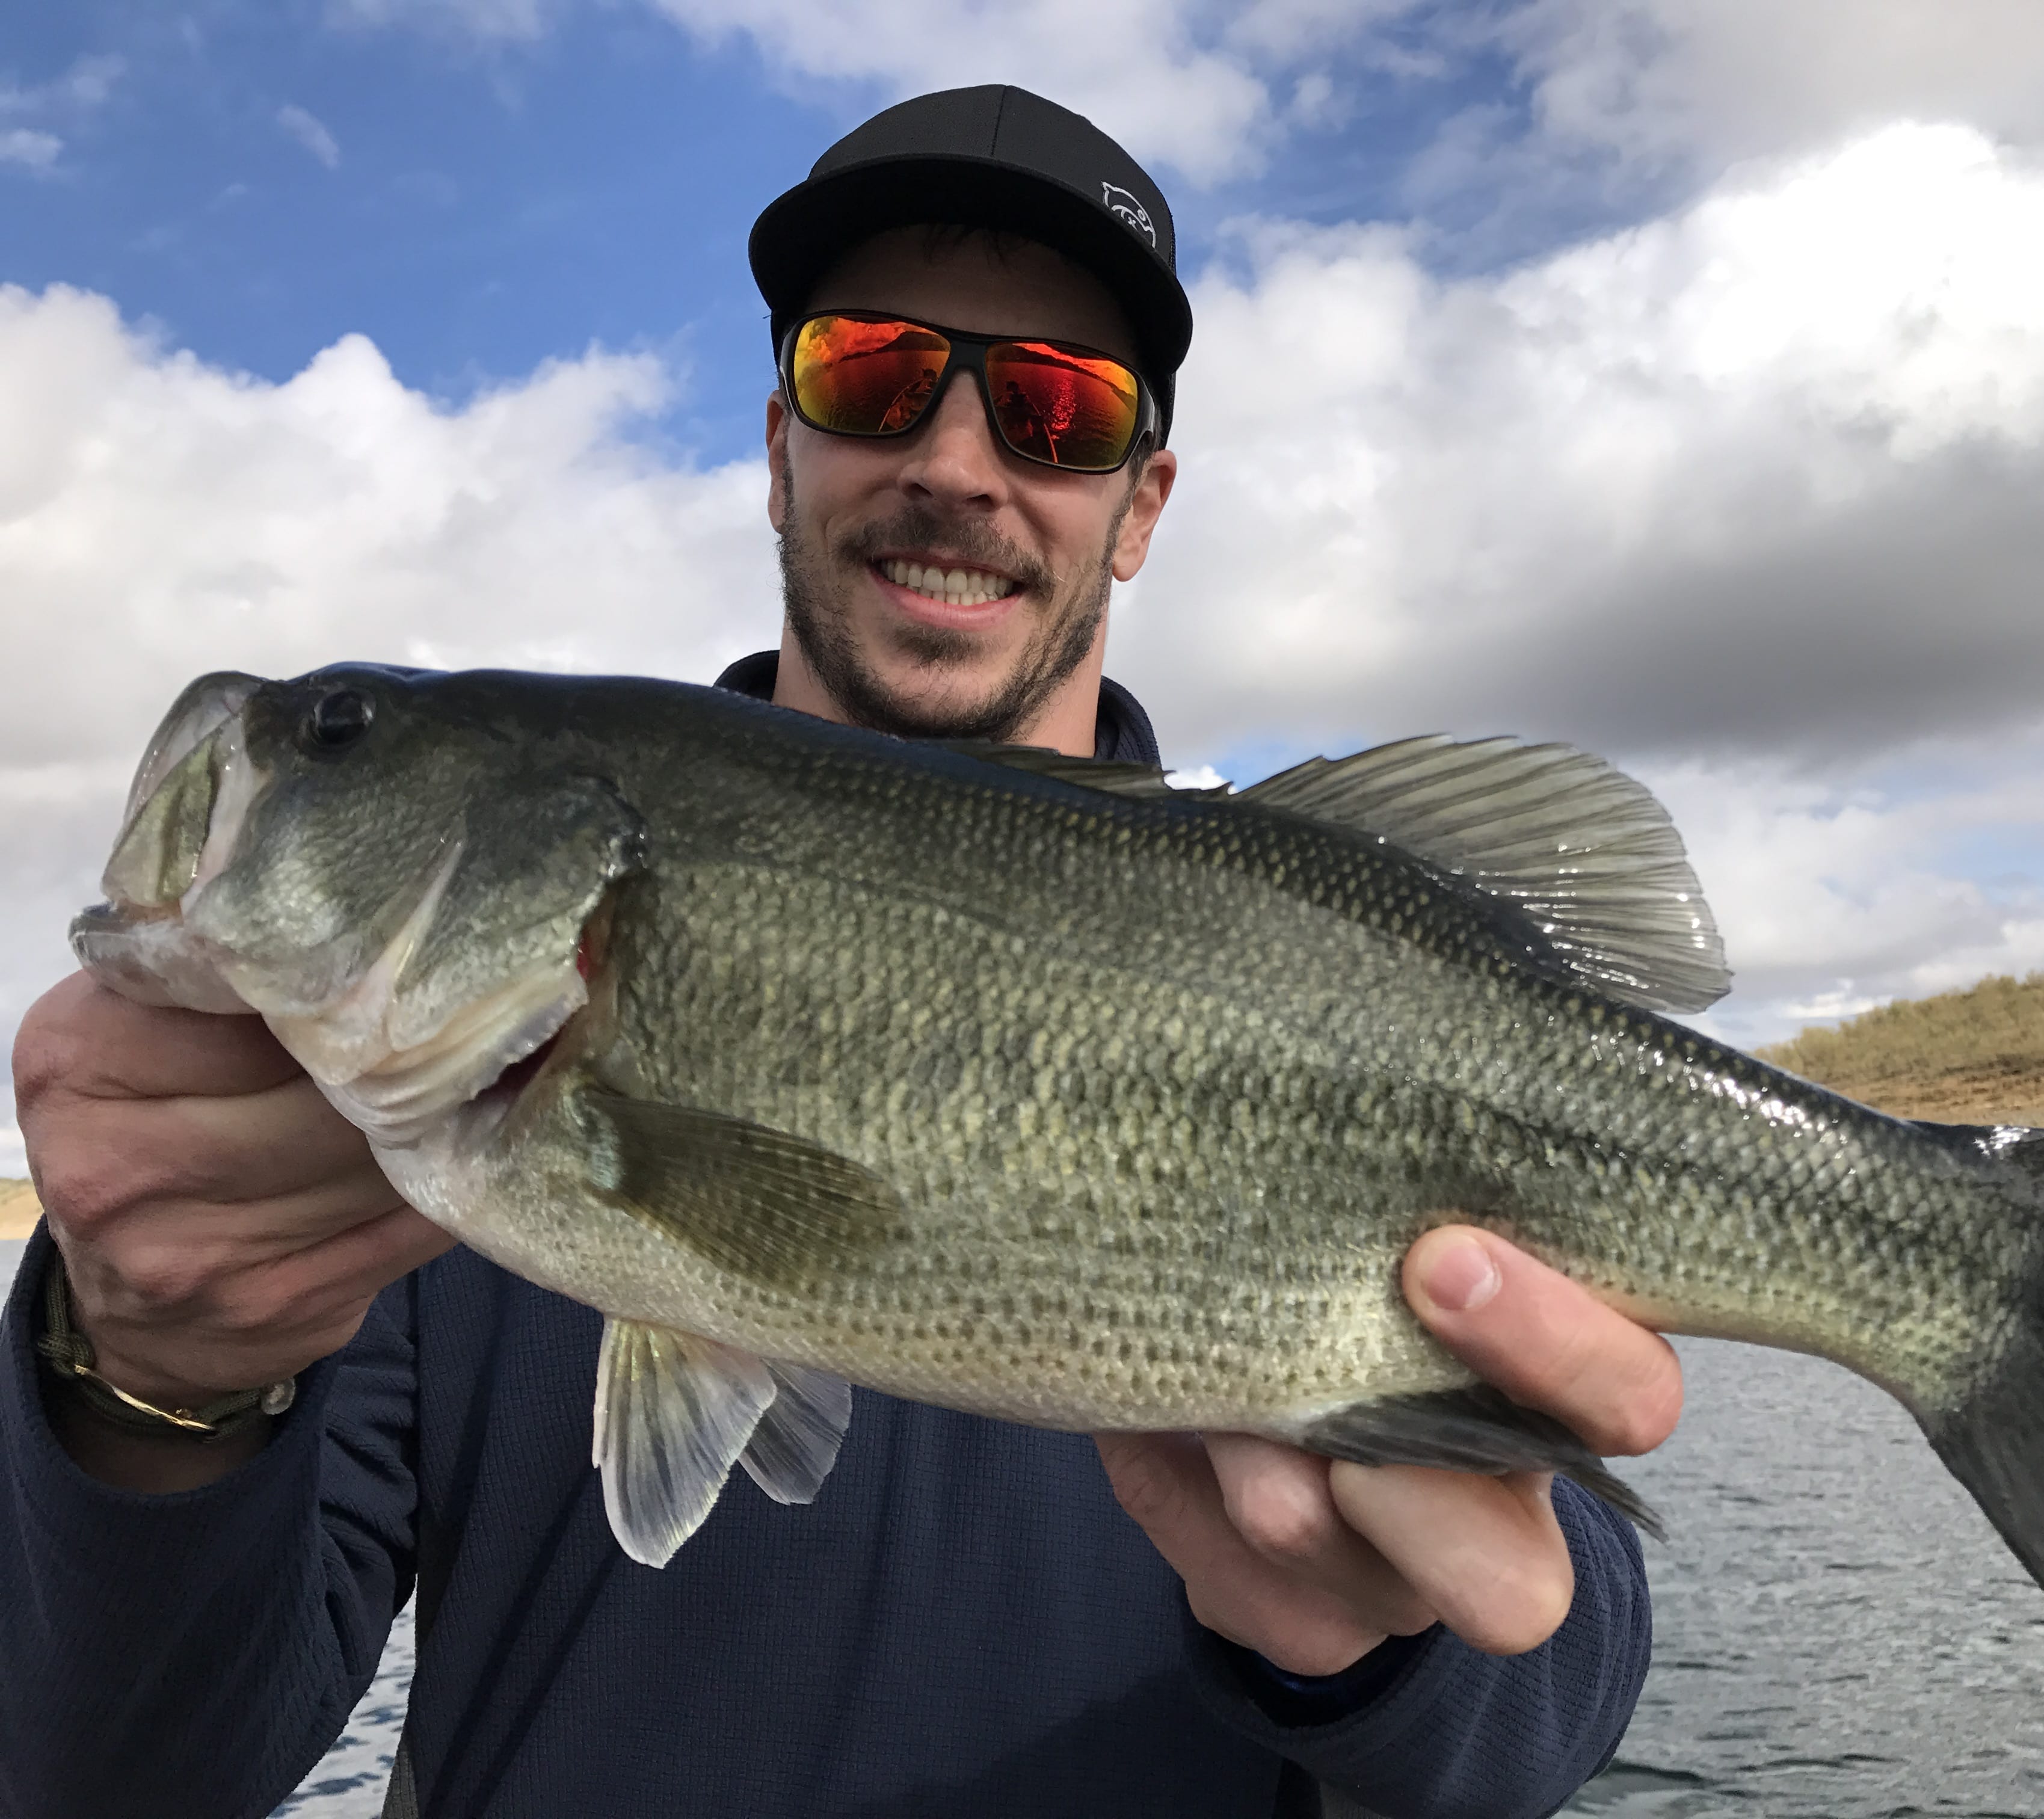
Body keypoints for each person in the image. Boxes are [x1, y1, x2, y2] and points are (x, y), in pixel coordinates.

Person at [1, 87, 1683, 1817]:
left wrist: (1386, 1649)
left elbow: (1533, 1740)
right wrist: (139, 1390)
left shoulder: (1349, 945)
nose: (955, 464)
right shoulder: (373, 1158)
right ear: (779, 442)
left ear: (1143, 502)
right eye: (871, 375)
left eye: (1056, 408)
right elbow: (105, 1780)